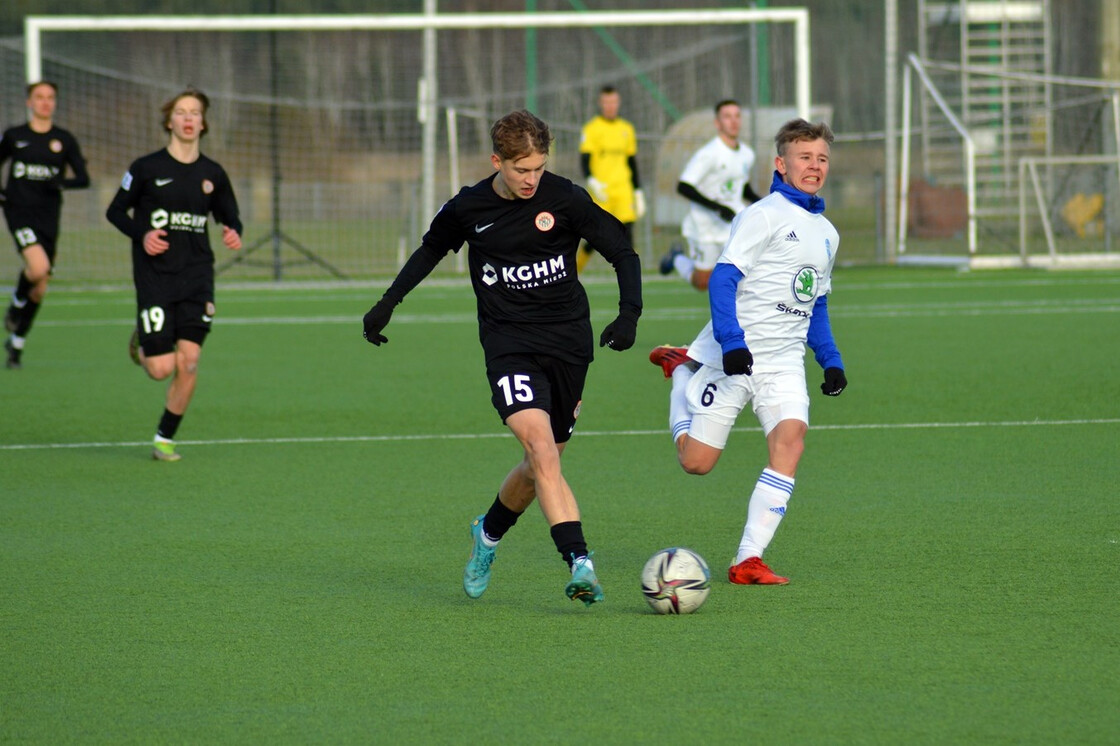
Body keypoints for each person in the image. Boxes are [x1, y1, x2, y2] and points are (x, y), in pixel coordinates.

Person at [362, 109, 642, 606]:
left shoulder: (565, 197)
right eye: (521, 170)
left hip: (569, 345)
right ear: (497, 161)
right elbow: (429, 250)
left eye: (538, 168)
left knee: (541, 465)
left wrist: (629, 314)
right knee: (540, 448)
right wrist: (389, 302)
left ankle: (487, 534)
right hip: (509, 344)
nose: (532, 179)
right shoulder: (468, 208)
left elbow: (621, 248)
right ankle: (580, 563)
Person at [649, 119, 846, 585]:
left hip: (783, 361)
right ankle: (681, 371)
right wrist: (732, 343)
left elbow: (815, 302)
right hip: (733, 353)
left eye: (821, 158)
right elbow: (722, 278)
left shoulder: (828, 234)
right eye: (804, 157)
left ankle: (747, 559)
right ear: (781, 164)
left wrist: (831, 358)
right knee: (696, 463)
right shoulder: (764, 214)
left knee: (791, 439)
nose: (814, 166)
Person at [106, 88, 242, 462]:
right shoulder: (145, 168)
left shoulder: (213, 174)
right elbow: (115, 212)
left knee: (190, 361)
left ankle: (164, 438)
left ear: (202, 123)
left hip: (198, 276)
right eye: (181, 112)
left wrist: (233, 231)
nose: (187, 118)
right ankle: (145, 340)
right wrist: (142, 234)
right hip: (155, 278)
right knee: (161, 368)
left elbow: (230, 217)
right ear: (169, 121)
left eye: (194, 113)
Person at [1, 81, 90, 369]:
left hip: (48, 217)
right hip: (18, 211)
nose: (45, 102)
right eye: (39, 97)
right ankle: (15, 302)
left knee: (39, 288)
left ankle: (16, 344)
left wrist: (60, 182)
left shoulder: (63, 139)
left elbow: (83, 178)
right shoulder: (15, 136)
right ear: (29, 102)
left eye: (50, 97)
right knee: (37, 267)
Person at [661, 99, 761, 291]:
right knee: (703, 283)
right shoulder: (709, 153)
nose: (733, 121)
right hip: (704, 227)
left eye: (737, 116)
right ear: (717, 123)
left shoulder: (747, 154)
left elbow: (742, 186)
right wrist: (717, 207)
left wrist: (761, 201)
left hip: (732, 225)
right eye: (727, 116)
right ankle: (677, 259)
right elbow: (684, 186)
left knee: (744, 277)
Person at [576, 85, 644, 273]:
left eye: (613, 102)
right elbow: (585, 159)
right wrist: (592, 181)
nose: (610, 106)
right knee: (594, 237)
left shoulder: (627, 129)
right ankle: (574, 270)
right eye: (606, 102)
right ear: (601, 103)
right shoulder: (592, 128)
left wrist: (638, 191)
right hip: (602, 192)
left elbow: (631, 161)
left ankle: (631, 274)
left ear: (618, 103)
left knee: (627, 233)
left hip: (623, 189)